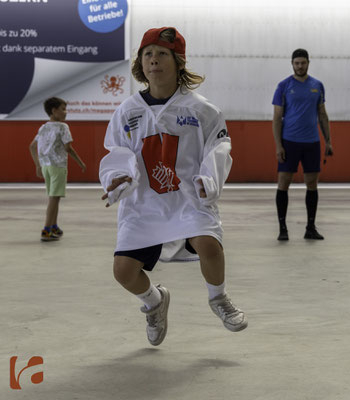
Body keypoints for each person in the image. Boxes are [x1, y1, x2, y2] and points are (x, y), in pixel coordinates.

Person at [99, 27, 248, 346]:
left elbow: (219, 148)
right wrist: (117, 178)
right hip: (143, 202)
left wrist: (209, 179)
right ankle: (154, 302)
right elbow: (117, 151)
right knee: (123, 272)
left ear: (178, 61)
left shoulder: (202, 110)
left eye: (162, 53)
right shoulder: (127, 111)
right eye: (147, 54)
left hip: (187, 196)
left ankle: (218, 298)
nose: (154, 59)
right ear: (140, 63)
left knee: (209, 245)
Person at [272, 48, 334, 241]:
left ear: (308, 63)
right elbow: (276, 118)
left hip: (312, 143)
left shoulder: (317, 85)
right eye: (297, 63)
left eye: (303, 63)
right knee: (284, 183)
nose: (300, 66)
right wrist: (278, 145)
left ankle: (310, 227)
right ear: (292, 64)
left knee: (312, 184)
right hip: (290, 143)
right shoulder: (284, 86)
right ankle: (283, 228)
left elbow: (322, 115)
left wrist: (328, 141)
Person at [29, 97, 86, 242]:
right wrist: (80, 162)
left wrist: (37, 165)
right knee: (54, 199)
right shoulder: (63, 127)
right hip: (58, 166)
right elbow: (68, 148)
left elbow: (32, 146)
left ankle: (53, 226)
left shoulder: (43, 127)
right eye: (63, 109)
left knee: (54, 197)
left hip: (46, 166)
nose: (65, 112)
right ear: (54, 111)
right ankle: (46, 230)